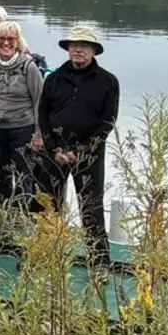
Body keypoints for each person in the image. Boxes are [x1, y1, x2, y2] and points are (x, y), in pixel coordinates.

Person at [36, 25, 120, 267]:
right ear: (68, 49)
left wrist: (81, 151)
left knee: (91, 206)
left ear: (94, 50)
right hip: (54, 152)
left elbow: (108, 121)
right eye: (73, 45)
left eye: (83, 45)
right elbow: (43, 115)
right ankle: (45, 256)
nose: (77, 49)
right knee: (47, 204)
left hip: (90, 154)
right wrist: (55, 148)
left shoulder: (108, 82)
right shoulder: (53, 79)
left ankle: (100, 261)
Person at [0, 21, 45, 209]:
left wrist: (38, 132)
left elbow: (39, 101)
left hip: (22, 128)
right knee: (1, 174)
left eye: (10, 39)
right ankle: (3, 218)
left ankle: (23, 216)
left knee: (23, 174)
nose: (6, 43)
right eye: (1, 39)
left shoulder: (29, 67)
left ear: (18, 42)